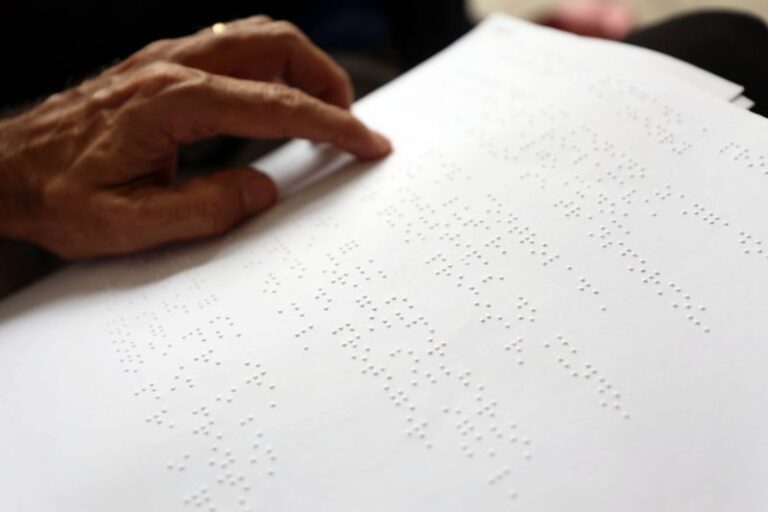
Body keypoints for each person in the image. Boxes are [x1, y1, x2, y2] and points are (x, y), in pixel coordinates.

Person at [1, 5, 767, 295]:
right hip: (73, 202)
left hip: (368, 106)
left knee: (724, 42)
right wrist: (16, 171)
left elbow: (428, 28)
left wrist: (520, 51)